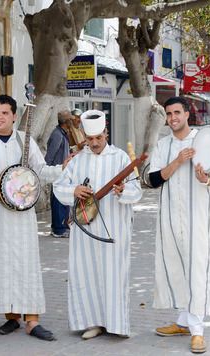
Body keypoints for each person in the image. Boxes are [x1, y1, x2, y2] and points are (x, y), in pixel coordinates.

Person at [0, 94, 67, 341]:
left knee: (26, 264)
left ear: (14, 116)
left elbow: (41, 171)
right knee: (1, 264)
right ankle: (11, 318)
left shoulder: (25, 141)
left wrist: (63, 168)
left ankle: (32, 321)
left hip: (23, 217)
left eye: (5, 113)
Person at [53, 110, 143, 339]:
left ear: (106, 133)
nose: (94, 144)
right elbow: (58, 186)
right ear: (83, 135)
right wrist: (74, 190)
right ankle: (92, 322)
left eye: (99, 138)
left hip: (114, 228)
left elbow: (136, 191)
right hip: (85, 231)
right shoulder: (77, 159)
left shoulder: (121, 158)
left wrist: (123, 191)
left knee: (114, 274)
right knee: (86, 273)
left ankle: (116, 324)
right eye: (90, 139)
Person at [148, 97, 210, 354]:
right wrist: (178, 161)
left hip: (197, 218)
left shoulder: (204, 140)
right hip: (169, 217)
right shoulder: (163, 145)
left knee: (197, 269)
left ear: (187, 114)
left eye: (177, 112)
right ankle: (182, 321)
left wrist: (206, 178)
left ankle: (198, 330)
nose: (173, 118)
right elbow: (153, 179)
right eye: (169, 114)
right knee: (174, 266)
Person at [45, 110, 72, 238]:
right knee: (58, 202)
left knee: (62, 201)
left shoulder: (62, 133)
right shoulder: (57, 135)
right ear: (66, 122)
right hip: (57, 172)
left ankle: (59, 227)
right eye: (70, 120)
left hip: (62, 172)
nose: (71, 122)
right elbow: (50, 155)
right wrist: (49, 172)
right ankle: (58, 230)